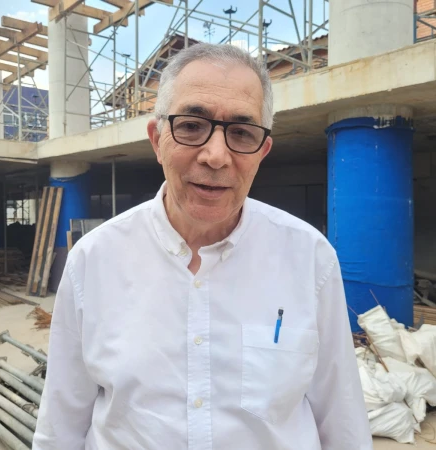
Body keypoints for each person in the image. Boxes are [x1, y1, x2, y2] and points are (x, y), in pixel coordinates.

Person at [33, 43, 372, 450]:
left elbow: (342, 421)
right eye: (192, 126)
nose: (216, 156)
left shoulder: (310, 259)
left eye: (241, 133)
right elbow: (61, 426)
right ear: (157, 139)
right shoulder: (93, 261)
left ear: (262, 152)